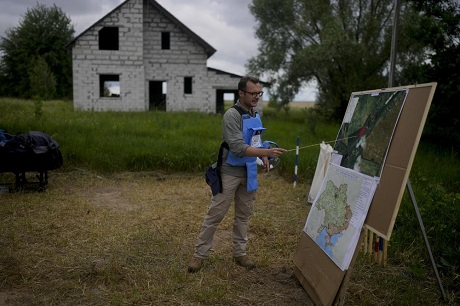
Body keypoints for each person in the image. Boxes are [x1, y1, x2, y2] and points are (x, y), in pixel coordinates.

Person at [188, 76, 287, 273]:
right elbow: (238, 147)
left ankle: (240, 254)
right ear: (241, 93)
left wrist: (264, 155)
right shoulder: (231, 116)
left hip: (249, 172)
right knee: (215, 215)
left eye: (259, 93)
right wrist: (265, 153)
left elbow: (256, 143)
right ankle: (199, 256)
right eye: (253, 93)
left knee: (243, 216)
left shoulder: (256, 114)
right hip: (229, 173)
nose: (256, 97)